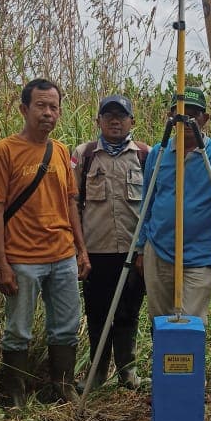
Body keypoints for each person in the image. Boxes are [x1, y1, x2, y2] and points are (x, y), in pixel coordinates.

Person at [0, 79, 90, 408]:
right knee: (18, 329)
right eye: (41, 106)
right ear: (24, 109)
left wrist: (81, 249)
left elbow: (71, 202)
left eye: (54, 107)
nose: (48, 113)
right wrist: (2, 265)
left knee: (67, 326)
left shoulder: (59, 150)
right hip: (23, 259)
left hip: (62, 256)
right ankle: (14, 391)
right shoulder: (5, 150)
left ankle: (62, 386)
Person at [71, 94, 149, 389]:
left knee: (129, 311)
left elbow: (154, 204)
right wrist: (79, 250)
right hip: (96, 253)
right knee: (97, 314)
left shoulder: (145, 154)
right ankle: (98, 373)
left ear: (132, 121)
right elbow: (73, 204)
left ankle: (127, 371)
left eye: (121, 115)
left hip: (134, 252)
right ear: (98, 121)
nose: (115, 121)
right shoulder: (84, 154)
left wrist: (145, 250)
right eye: (108, 115)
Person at [136, 87, 211, 322]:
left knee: (190, 327)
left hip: (198, 257)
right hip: (158, 251)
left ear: (205, 119)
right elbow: (147, 202)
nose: (186, 120)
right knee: (160, 323)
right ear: (170, 117)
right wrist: (140, 248)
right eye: (179, 114)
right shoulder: (159, 153)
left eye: (194, 114)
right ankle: (160, 361)